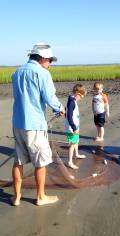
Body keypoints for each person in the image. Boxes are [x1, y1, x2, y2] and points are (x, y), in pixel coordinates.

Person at [12, 43, 65, 206]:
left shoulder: (16, 72)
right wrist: (60, 108)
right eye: (49, 60)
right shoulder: (42, 73)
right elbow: (49, 97)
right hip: (34, 124)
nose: (50, 64)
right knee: (40, 162)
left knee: (18, 161)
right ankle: (41, 197)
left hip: (18, 123)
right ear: (42, 58)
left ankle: (16, 197)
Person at [65, 84, 87, 169]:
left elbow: (67, 113)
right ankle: (70, 162)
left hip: (75, 126)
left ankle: (77, 154)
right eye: (81, 96)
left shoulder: (72, 99)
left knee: (76, 141)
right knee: (72, 144)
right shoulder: (71, 102)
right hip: (72, 128)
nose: (81, 98)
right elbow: (69, 116)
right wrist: (74, 128)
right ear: (77, 93)